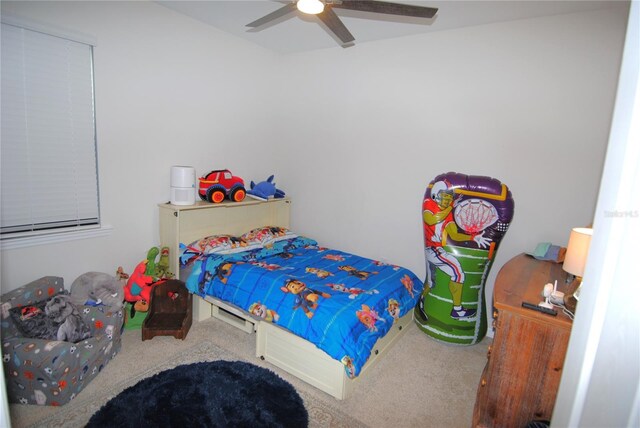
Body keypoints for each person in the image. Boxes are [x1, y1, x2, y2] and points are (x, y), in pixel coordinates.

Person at [421, 180, 490, 320]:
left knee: (430, 283)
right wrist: (450, 208)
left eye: (449, 197)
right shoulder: (429, 203)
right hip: (433, 248)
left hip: (435, 249)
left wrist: (473, 237)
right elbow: (431, 220)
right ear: (435, 195)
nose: (447, 199)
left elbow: (454, 234)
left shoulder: (448, 214)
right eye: (444, 196)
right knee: (458, 273)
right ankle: (457, 311)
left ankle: (422, 301)